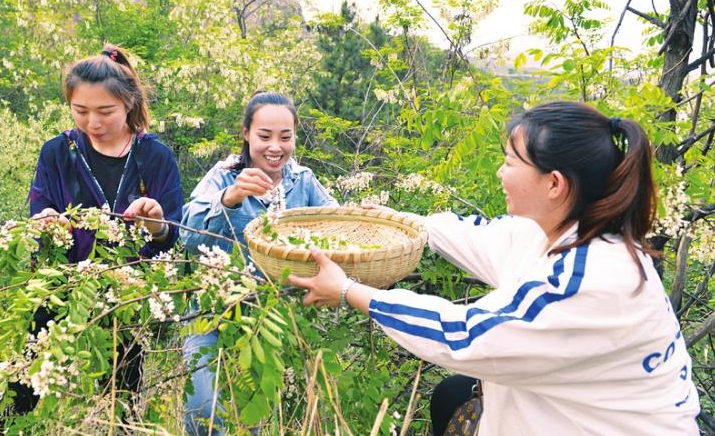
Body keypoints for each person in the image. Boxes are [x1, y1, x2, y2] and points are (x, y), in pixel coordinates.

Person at [288, 101, 700, 436]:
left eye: (510, 162)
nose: (500, 173)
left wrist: (349, 291)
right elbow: (479, 237)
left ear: (554, 184)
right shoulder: (556, 232)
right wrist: (403, 223)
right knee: (452, 395)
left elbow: (463, 336)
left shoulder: (590, 279)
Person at [10, 45, 184, 417]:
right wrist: (45, 222)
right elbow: (38, 210)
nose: (93, 123)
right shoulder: (57, 151)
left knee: (122, 399)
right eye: (81, 111)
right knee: (24, 389)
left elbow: (171, 236)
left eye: (105, 111)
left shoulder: (154, 157)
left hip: (125, 294)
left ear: (129, 103)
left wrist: (155, 222)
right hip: (59, 288)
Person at [181, 91, 338, 435]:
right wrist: (231, 198)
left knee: (248, 418)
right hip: (212, 313)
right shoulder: (225, 175)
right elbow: (188, 235)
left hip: (270, 317)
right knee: (205, 410)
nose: (275, 147)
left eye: (285, 137)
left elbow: (336, 225)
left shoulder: (304, 181)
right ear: (246, 134)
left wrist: (364, 216)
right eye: (264, 136)